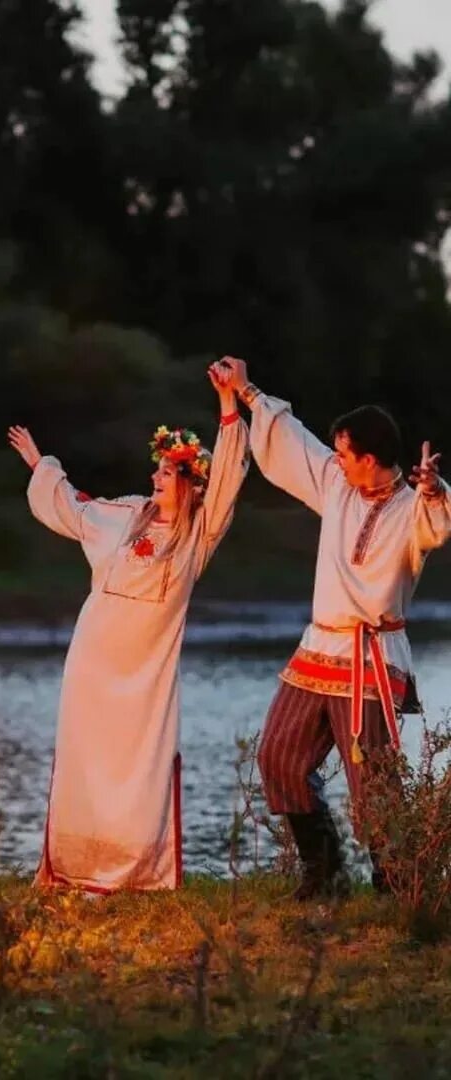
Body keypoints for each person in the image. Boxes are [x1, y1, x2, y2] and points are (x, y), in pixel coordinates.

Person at [8, 362, 249, 893]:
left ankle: (134, 869)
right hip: (94, 658)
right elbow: (75, 508)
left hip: (146, 671)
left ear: (188, 481)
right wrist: (39, 465)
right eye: (158, 470)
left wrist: (230, 404)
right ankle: (76, 866)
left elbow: (230, 477)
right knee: (85, 760)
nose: (155, 477)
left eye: (166, 472)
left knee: (138, 766)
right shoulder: (126, 513)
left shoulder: (198, 533)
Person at [220, 356, 451, 898]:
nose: (338, 461)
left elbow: (439, 522)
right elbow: (293, 443)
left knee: (372, 781)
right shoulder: (337, 486)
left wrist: (435, 486)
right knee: (278, 754)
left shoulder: (410, 509)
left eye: (346, 454)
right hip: (319, 646)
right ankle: (324, 871)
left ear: (369, 459)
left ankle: (395, 885)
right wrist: (246, 389)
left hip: (371, 656)